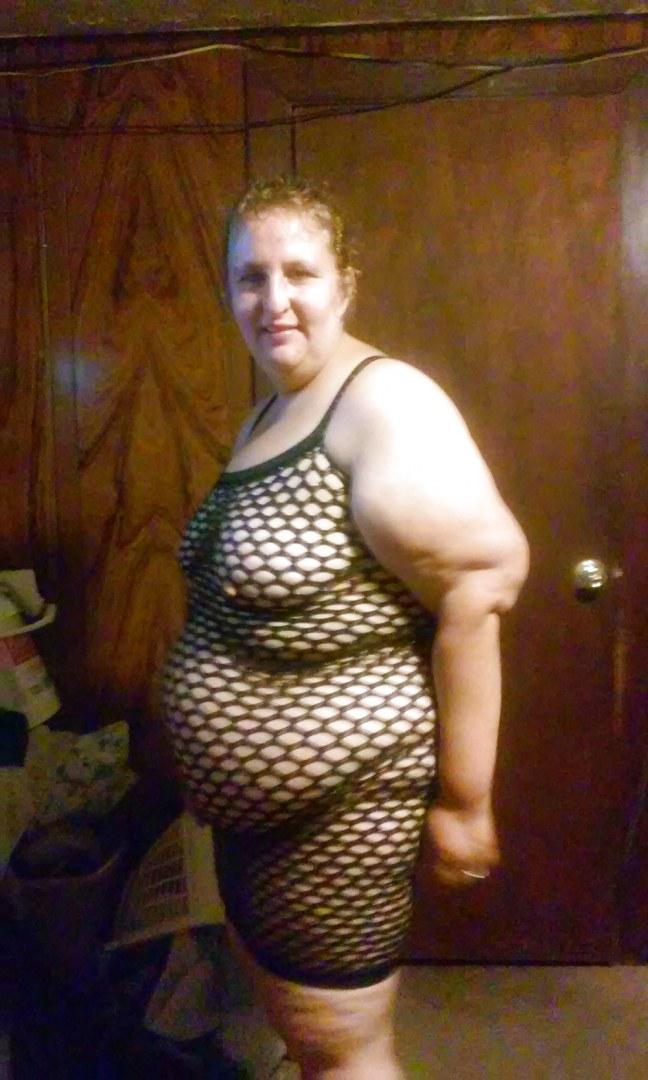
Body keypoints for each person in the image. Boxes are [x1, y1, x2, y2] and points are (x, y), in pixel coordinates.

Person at [162, 177, 529, 1078]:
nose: (274, 300)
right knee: (309, 1039)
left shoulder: (380, 401)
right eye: (250, 277)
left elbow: (479, 584)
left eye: (300, 273)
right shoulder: (268, 412)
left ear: (345, 285)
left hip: (340, 817)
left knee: (345, 1055)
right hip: (262, 824)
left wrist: (465, 803)